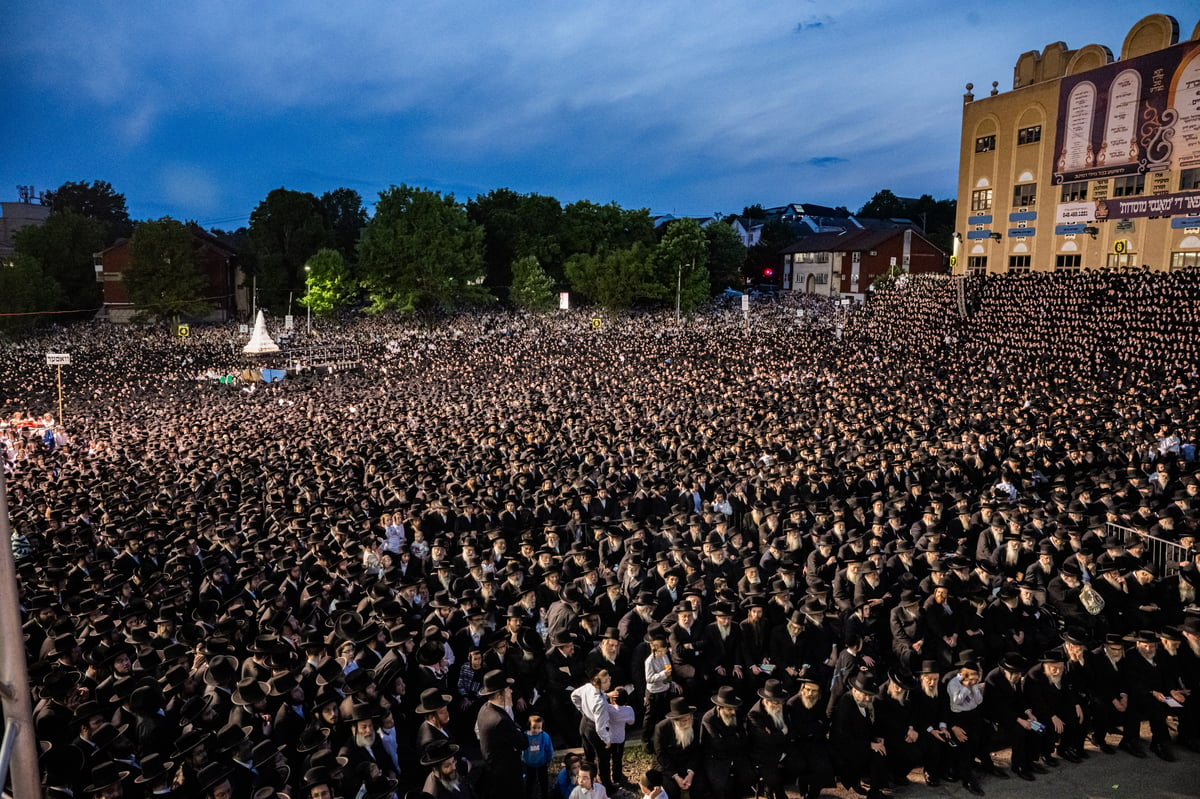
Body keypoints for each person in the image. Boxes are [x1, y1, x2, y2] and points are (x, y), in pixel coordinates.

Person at [476, 670, 528, 798]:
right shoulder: (500, 720)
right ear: (500, 695)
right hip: (506, 776)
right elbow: (523, 743)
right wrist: (517, 731)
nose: (511, 692)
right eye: (508, 689)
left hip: (494, 771)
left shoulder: (484, 708)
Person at [651, 697, 702, 799]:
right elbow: (661, 754)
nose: (687, 723)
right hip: (668, 765)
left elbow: (697, 750)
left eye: (689, 719)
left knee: (700, 788)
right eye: (683, 721)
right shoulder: (661, 728)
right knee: (671, 791)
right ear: (675, 721)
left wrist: (691, 772)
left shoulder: (695, 723)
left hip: (688, 763)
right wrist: (675, 776)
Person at [522, 715, 554, 799]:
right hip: (529, 763)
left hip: (542, 763)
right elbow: (521, 748)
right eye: (534, 727)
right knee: (530, 781)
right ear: (529, 726)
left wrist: (549, 759)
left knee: (543, 781)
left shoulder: (545, 736)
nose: (537, 730)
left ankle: (544, 795)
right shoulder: (525, 736)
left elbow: (549, 749)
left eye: (539, 727)